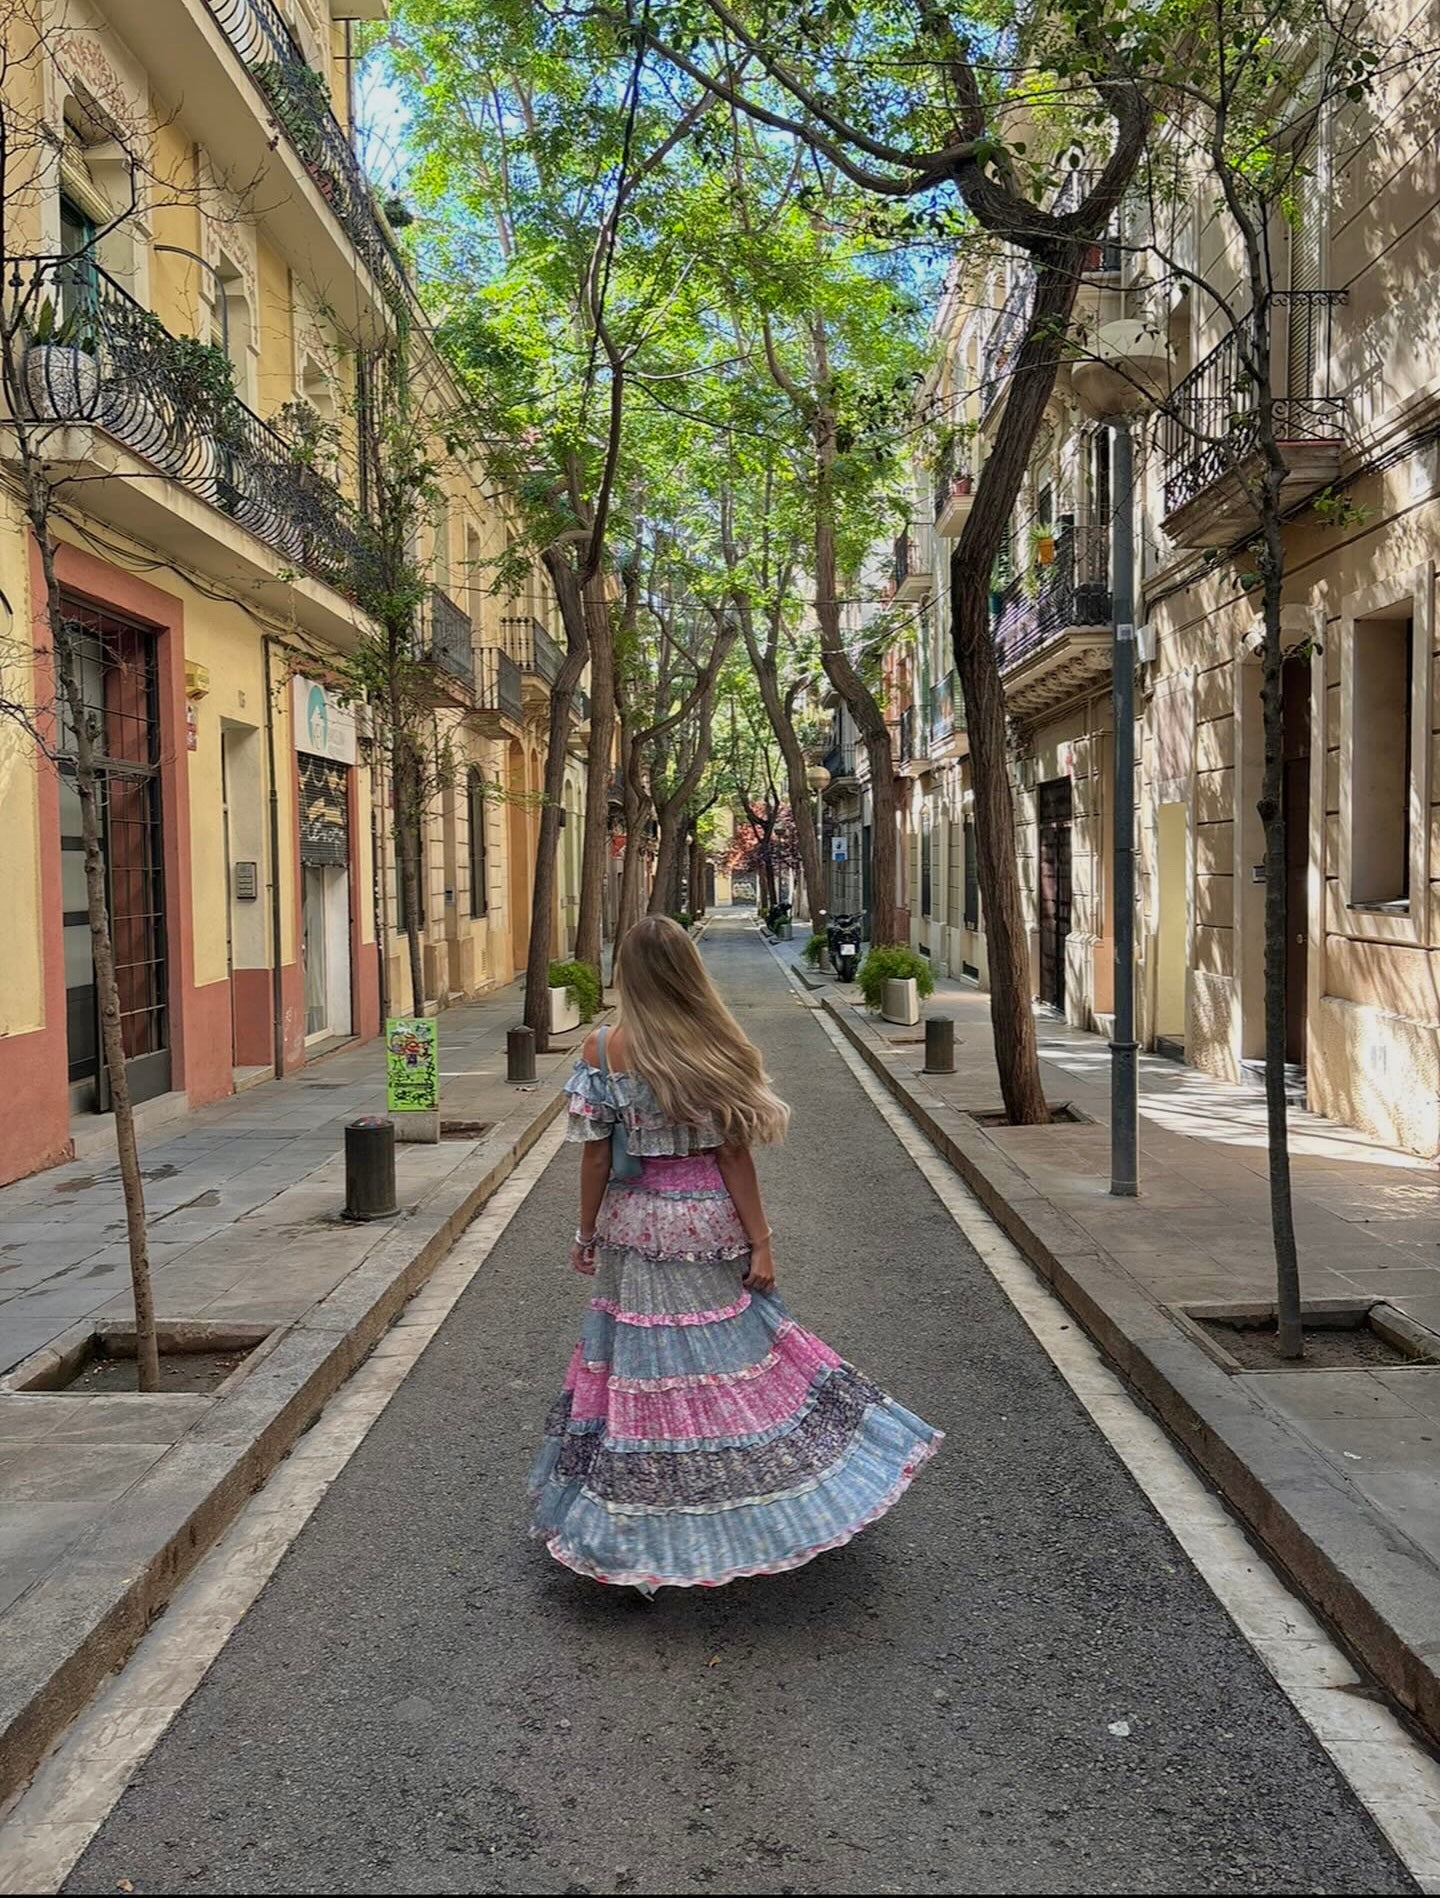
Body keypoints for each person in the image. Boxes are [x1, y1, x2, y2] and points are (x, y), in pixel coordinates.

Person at [529, 914, 941, 1594]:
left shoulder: (602, 1050)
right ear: (689, 971)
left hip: (637, 1229)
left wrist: (585, 1232)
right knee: (735, 1360)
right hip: (707, 1225)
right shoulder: (719, 1045)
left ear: (629, 976)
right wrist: (761, 1241)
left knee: (640, 1366)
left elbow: (596, 1157)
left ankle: (633, 1527)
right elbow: (734, 1155)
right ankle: (769, 1494)